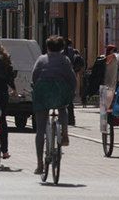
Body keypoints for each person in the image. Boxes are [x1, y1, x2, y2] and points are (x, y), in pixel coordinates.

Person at [31, 35, 77, 174]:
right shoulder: (65, 60)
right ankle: (64, 133)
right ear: (62, 48)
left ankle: (39, 164)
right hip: (60, 92)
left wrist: (35, 87)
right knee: (63, 107)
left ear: (47, 47)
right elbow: (72, 78)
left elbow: (34, 76)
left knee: (40, 130)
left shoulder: (41, 59)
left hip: (43, 93)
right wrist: (72, 92)